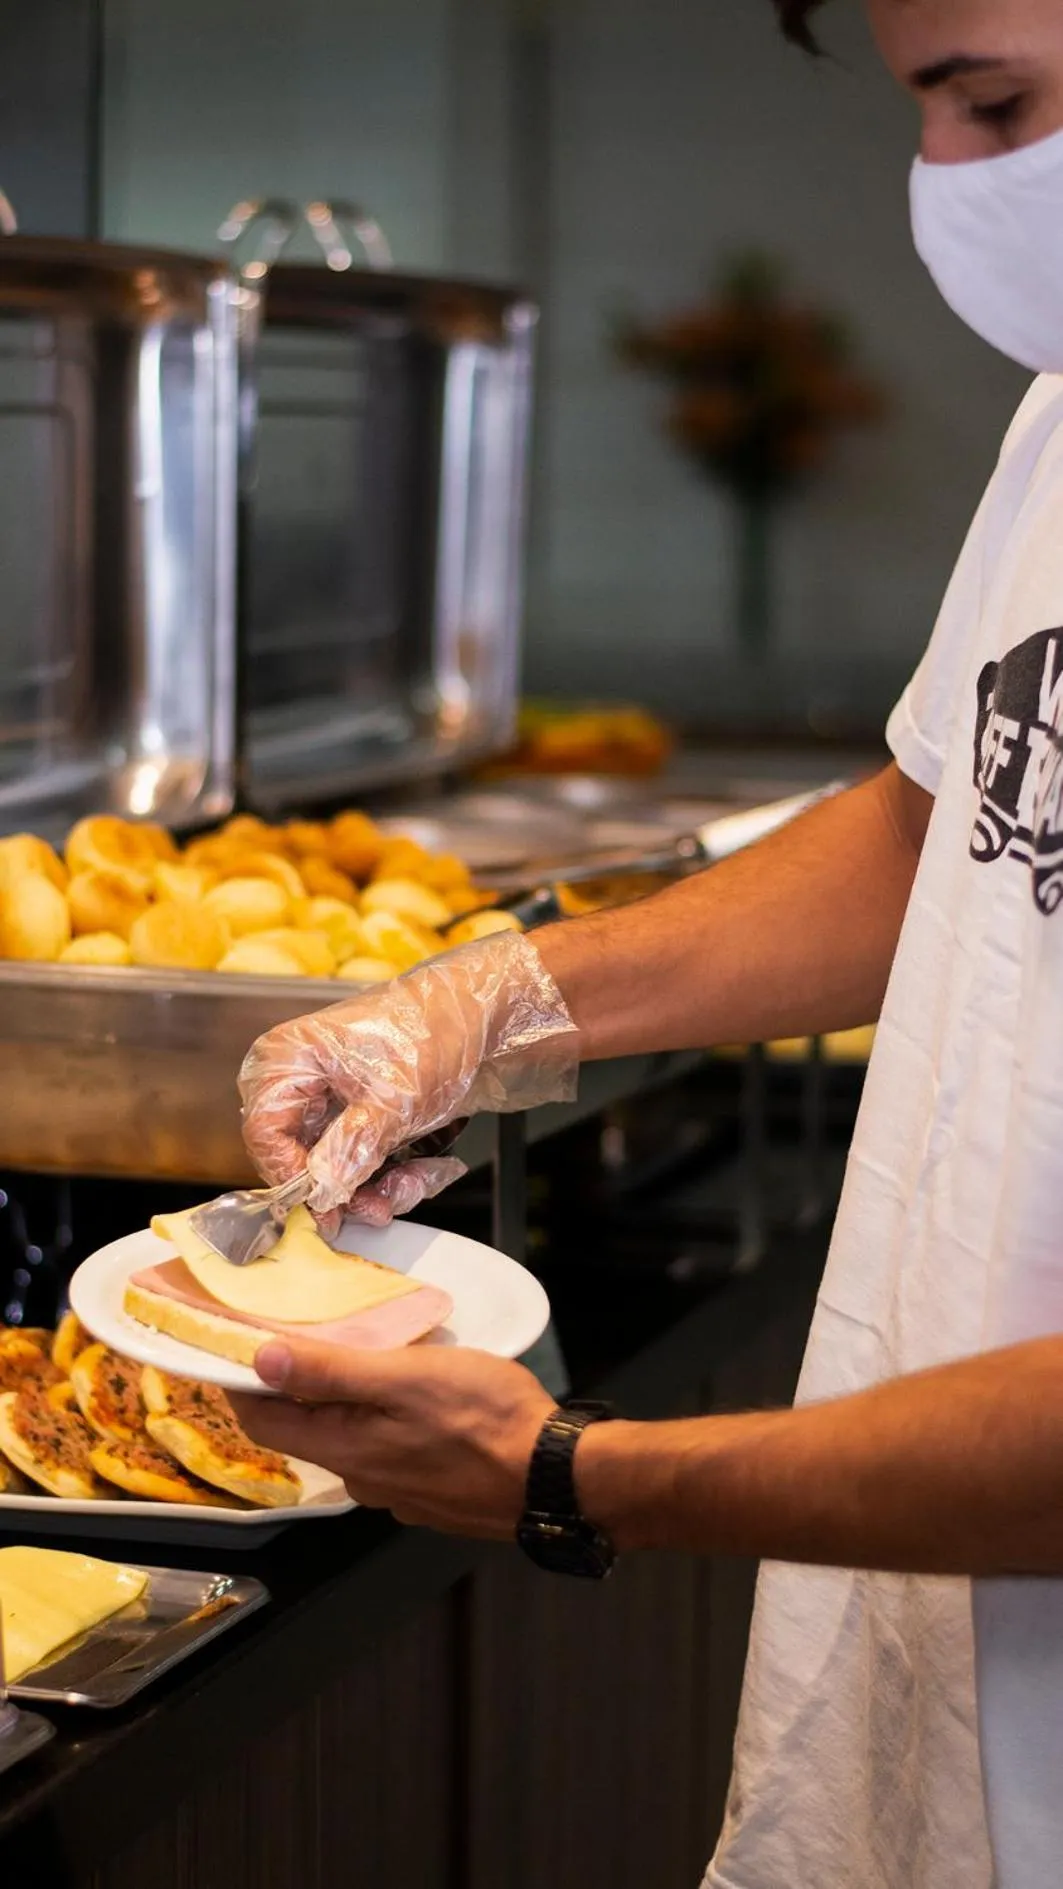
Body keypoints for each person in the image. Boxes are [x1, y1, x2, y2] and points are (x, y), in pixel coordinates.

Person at [231, 1, 1063, 1882]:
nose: (943, 177)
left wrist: (560, 1473)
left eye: (990, 98)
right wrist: (500, 1004)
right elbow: (952, 819)